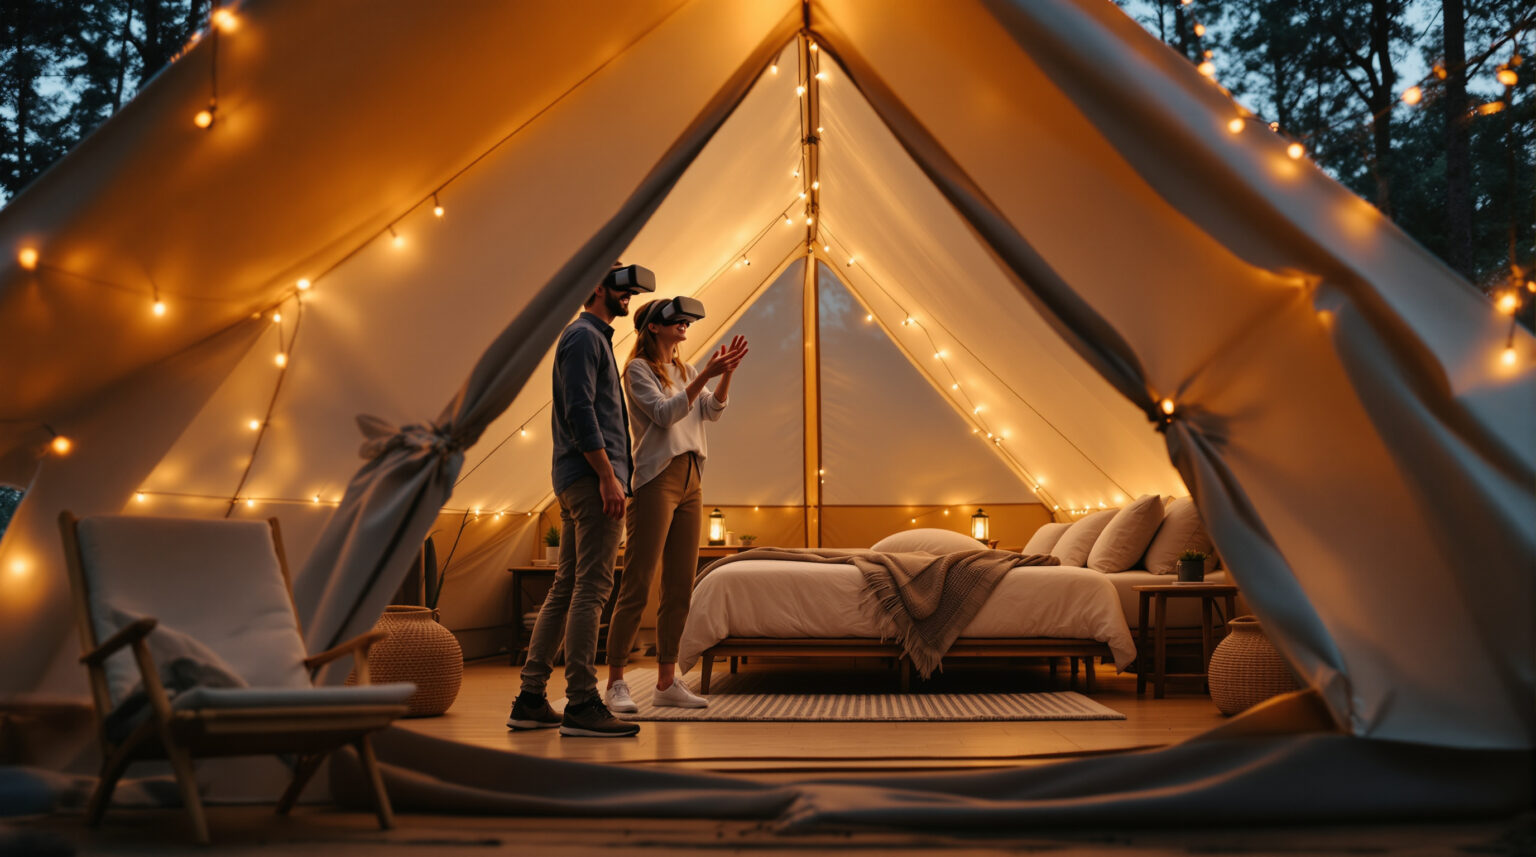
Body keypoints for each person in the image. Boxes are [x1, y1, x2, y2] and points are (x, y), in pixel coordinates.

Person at [508, 262, 653, 738]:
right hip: (592, 480)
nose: (627, 291)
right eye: (619, 282)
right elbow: (579, 410)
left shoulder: (594, 339)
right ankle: (582, 703)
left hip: (581, 477)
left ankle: (530, 699)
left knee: (567, 587)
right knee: (591, 589)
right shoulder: (585, 338)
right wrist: (609, 476)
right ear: (595, 286)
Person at [604, 296, 748, 712]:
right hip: (655, 478)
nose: (685, 325)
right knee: (637, 582)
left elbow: (712, 412)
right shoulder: (637, 370)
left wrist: (725, 376)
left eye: (687, 321)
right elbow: (666, 415)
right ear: (653, 327)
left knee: (680, 584)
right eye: (677, 320)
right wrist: (707, 373)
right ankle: (615, 681)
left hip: (692, 477)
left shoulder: (684, 370)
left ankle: (667, 681)